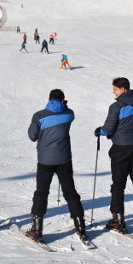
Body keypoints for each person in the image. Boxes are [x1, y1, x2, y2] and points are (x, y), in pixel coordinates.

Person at [25, 89, 88, 243]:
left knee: (41, 193)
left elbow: (32, 136)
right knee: (70, 192)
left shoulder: (39, 116)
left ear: (49, 99)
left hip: (45, 160)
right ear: (63, 100)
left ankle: (36, 230)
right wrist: (64, 106)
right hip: (64, 159)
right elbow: (69, 112)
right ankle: (80, 227)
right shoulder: (68, 114)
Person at [94, 77, 133, 234]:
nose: (113, 93)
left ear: (123, 89)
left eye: (115, 89)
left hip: (120, 148)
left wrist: (98, 131)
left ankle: (118, 219)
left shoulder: (116, 106)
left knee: (118, 184)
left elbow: (107, 129)